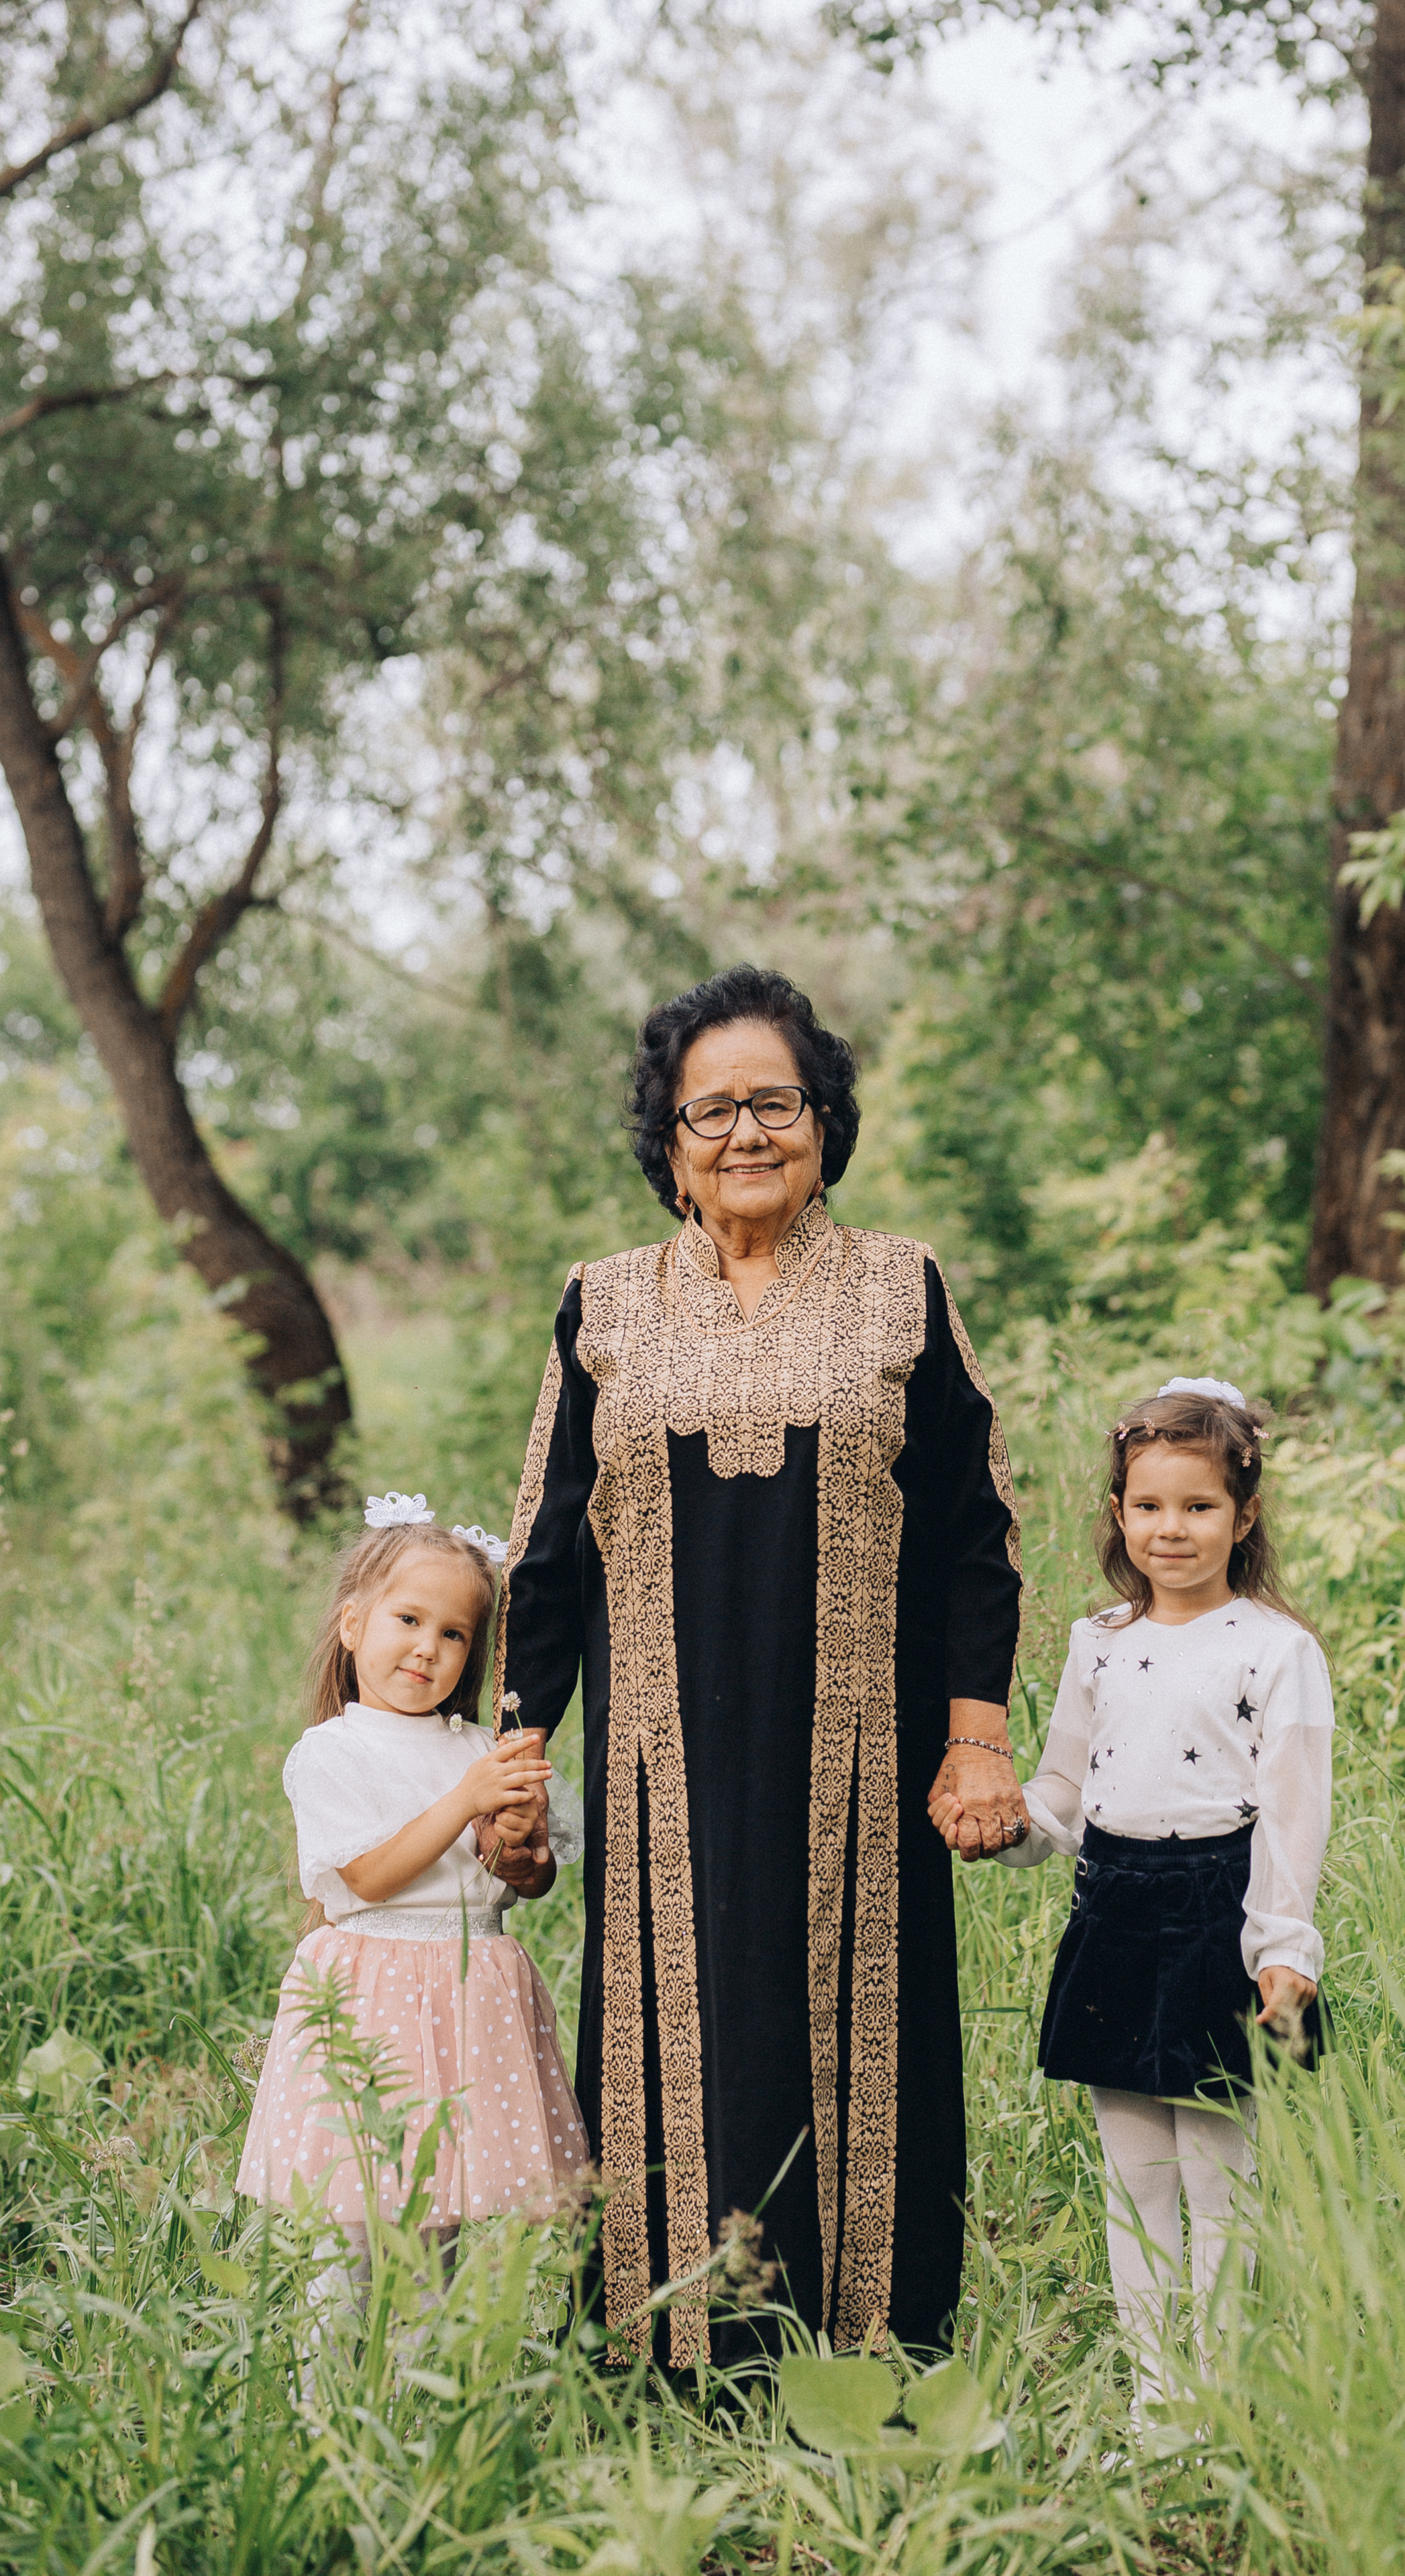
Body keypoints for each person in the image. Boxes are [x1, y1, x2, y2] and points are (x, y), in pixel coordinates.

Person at [492, 963, 1027, 2367]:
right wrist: (513, 1751)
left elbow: (977, 1533)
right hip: (657, 1758)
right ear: (668, 1147)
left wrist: (974, 1738)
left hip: (860, 1747)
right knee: (678, 2028)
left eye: (775, 1103)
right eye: (709, 1109)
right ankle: (674, 2351)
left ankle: (871, 2350)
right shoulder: (601, 1304)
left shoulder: (900, 1286)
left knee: (861, 2028)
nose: (745, 1133)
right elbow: (545, 1546)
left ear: (824, 1121)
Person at [937, 1376, 1331, 2427]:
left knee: (1219, 2177)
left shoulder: (1275, 1649)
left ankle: (1220, 2405)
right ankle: (1158, 2407)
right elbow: (1067, 1794)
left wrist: (1283, 1949)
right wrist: (1009, 1826)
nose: (1172, 1529)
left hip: (1219, 1912)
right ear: (1118, 1512)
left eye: (1199, 1507)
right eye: (1149, 1505)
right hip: (1112, 1910)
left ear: (1244, 1516)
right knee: (1135, 2178)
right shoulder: (1097, 1640)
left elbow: (1294, 1817)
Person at [238, 1498, 588, 2310]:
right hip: (374, 1992)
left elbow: (526, 1881)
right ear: (354, 1624)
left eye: (455, 1634)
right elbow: (366, 1875)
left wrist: (518, 1841)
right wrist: (465, 1800)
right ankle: (327, 2400)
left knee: (442, 2214)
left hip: (469, 1992)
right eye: (408, 1619)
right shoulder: (333, 1751)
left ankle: (424, 2400)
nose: (428, 1649)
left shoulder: (480, 1748)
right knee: (355, 2216)